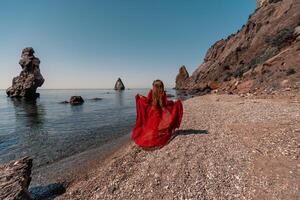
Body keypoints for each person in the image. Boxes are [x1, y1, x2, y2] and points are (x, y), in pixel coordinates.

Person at [131, 80, 183, 148]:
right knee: (159, 124)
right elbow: (166, 103)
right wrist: (174, 102)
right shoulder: (163, 93)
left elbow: (147, 101)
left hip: (152, 112)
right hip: (161, 112)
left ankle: (153, 136)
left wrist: (140, 97)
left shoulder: (151, 92)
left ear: (154, 87)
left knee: (153, 126)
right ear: (161, 87)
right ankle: (158, 134)